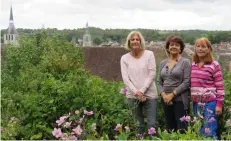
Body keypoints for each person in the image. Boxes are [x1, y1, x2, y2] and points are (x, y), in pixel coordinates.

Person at [120, 31, 158, 135]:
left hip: (150, 94)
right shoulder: (124, 58)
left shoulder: (149, 54)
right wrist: (136, 92)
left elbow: (152, 73)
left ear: (141, 41)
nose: (135, 41)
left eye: (137, 39)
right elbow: (125, 78)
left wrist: (141, 90)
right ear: (129, 42)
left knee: (152, 124)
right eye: (132, 39)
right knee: (138, 125)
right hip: (132, 96)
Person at [191, 37, 225, 138]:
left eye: (203, 47)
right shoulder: (193, 64)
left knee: (209, 131)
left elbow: (220, 86)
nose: (200, 49)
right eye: (198, 46)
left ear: (209, 49)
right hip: (196, 103)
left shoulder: (214, 65)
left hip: (210, 103)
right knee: (199, 129)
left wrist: (219, 104)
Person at [157, 36, 191, 133]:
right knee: (170, 129)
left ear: (180, 48)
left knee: (182, 130)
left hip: (180, 100)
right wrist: (164, 95)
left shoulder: (185, 62)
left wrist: (172, 95)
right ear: (168, 48)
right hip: (166, 100)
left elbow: (186, 82)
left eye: (177, 45)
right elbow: (158, 81)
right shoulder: (163, 63)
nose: (174, 47)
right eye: (172, 45)